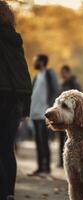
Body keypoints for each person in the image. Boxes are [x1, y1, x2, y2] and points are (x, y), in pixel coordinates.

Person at [0, 1, 32, 199]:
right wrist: (25, 107)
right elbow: (24, 72)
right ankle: (9, 194)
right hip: (16, 100)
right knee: (6, 148)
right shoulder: (14, 39)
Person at [30, 54, 59, 175]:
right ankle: (40, 167)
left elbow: (56, 89)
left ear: (42, 62)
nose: (34, 62)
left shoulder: (49, 74)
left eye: (36, 60)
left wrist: (50, 107)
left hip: (44, 112)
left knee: (44, 140)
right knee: (37, 141)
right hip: (34, 112)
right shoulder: (37, 76)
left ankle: (46, 167)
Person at [59, 65, 82, 167]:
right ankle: (62, 161)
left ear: (68, 72)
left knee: (71, 139)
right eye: (61, 72)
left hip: (70, 117)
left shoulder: (74, 83)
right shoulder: (63, 84)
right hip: (62, 116)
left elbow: (78, 99)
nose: (62, 74)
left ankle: (73, 162)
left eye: (64, 72)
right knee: (61, 138)